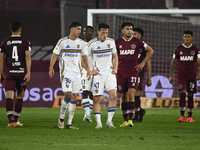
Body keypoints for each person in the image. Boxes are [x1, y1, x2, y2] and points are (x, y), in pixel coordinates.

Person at [49, 21, 91, 129]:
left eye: (80, 29)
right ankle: (61, 118)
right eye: (78, 29)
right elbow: (55, 55)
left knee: (74, 97)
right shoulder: (62, 42)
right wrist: (51, 67)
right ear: (72, 29)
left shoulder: (81, 43)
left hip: (77, 73)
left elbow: (84, 58)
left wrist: (89, 70)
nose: (80, 31)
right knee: (67, 95)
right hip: (66, 73)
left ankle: (69, 123)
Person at [115, 22, 154, 127]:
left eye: (131, 29)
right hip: (121, 73)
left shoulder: (137, 42)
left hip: (133, 72)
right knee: (123, 97)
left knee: (131, 95)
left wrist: (142, 63)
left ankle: (131, 120)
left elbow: (151, 51)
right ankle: (125, 120)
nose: (130, 31)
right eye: (127, 29)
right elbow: (113, 56)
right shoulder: (117, 43)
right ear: (122, 30)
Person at [86, 23, 118, 129]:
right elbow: (83, 57)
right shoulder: (92, 44)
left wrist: (115, 68)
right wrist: (90, 70)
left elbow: (115, 56)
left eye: (106, 33)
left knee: (113, 96)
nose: (105, 35)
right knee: (96, 99)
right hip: (98, 75)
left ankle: (109, 121)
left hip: (109, 73)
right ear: (98, 32)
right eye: (103, 33)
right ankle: (98, 123)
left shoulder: (111, 42)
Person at [0, 20, 31, 127]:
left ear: (10, 29)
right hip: (21, 73)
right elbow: (28, 57)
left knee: (9, 96)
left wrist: (0, 74)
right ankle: (16, 120)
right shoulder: (25, 42)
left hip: (9, 73)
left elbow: (1, 60)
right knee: (20, 96)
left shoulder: (5, 42)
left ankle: (10, 121)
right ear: (20, 30)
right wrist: (28, 72)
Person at [169, 30, 200, 123]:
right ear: (183, 37)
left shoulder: (195, 50)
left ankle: (190, 117)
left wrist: (199, 73)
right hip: (181, 75)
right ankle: (182, 115)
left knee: (191, 94)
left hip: (191, 76)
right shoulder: (178, 49)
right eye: (185, 36)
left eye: (188, 36)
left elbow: (199, 62)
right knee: (182, 93)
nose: (186, 38)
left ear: (192, 38)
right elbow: (173, 62)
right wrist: (171, 75)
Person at [132, 28, 152, 123]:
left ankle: (137, 116)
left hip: (139, 73)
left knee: (136, 93)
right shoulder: (129, 46)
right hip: (128, 73)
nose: (133, 35)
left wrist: (149, 78)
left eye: (135, 34)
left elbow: (148, 64)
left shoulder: (143, 48)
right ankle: (140, 110)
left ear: (140, 36)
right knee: (129, 95)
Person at [81, 26, 94, 122]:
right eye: (84, 31)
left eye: (88, 31)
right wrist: (87, 69)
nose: (85, 33)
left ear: (92, 32)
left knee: (93, 93)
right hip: (84, 71)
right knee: (85, 92)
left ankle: (87, 114)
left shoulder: (96, 44)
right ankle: (87, 114)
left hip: (95, 71)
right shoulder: (81, 44)